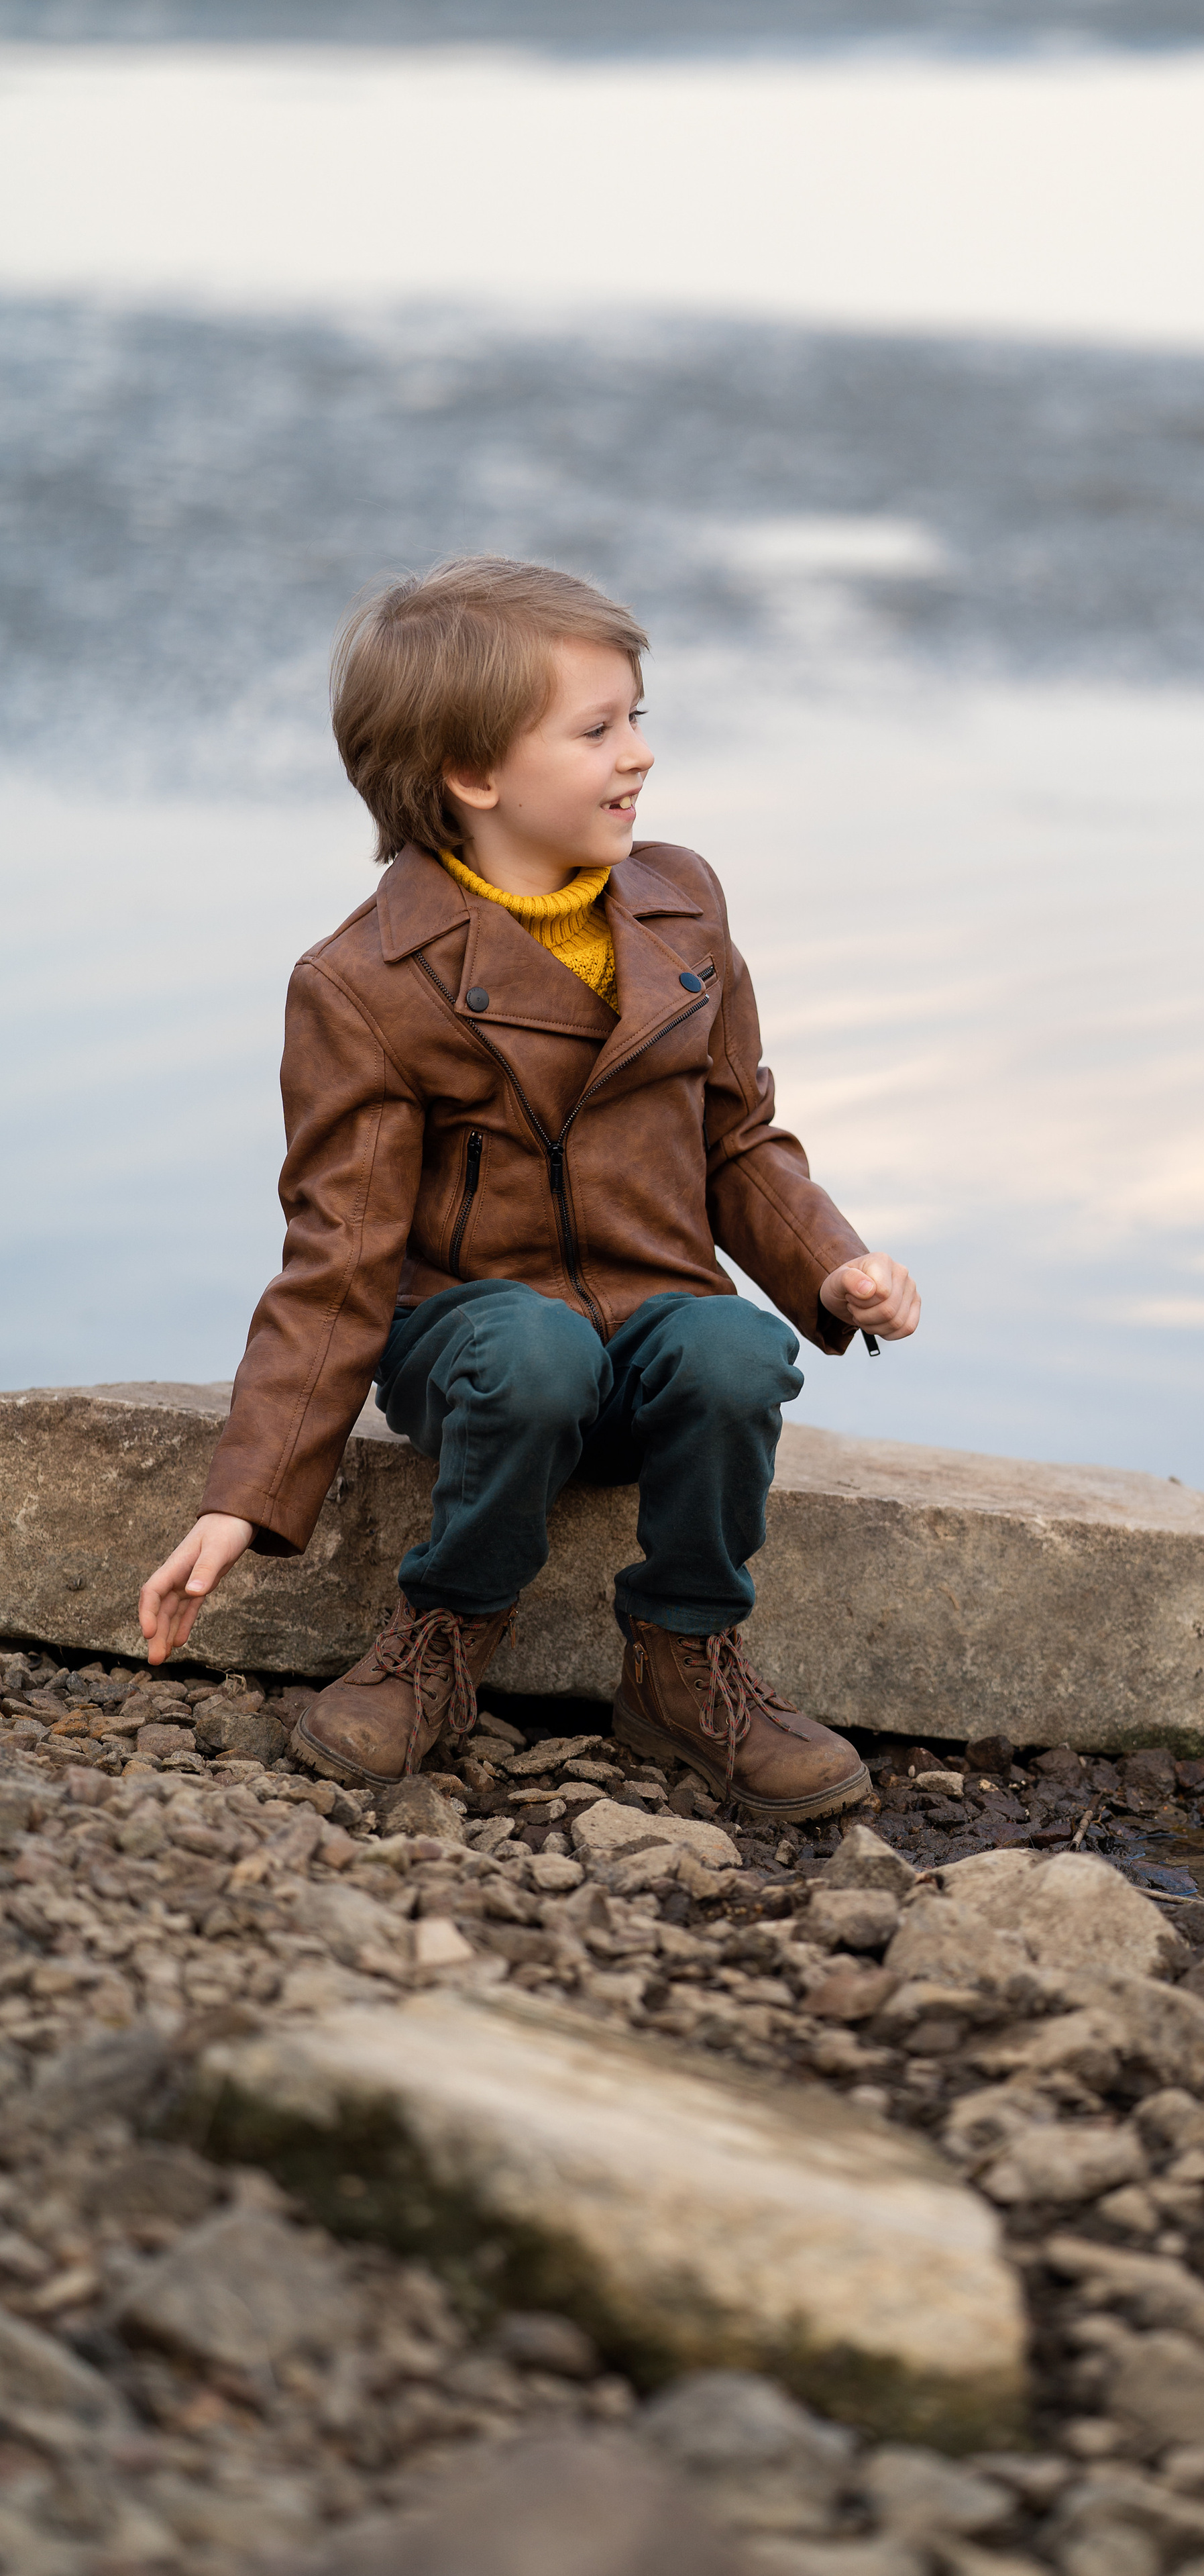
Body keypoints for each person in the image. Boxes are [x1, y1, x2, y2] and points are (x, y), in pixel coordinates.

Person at [135, 558, 919, 1822]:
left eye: (640, 718)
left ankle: (685, 1660)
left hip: (650, 1322)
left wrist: (834, 1263)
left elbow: (740, 1140)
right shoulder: (365, 983)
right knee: (533, 1350)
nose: (641, 757)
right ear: (473, 774)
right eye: (598, 729)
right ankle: (442, 1635)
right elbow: (337, 1258)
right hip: (474, 1346)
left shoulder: (685, 908)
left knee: (735, 1348)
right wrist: (246, 1501)